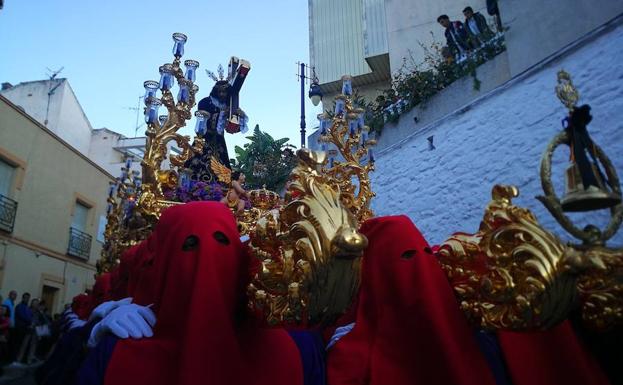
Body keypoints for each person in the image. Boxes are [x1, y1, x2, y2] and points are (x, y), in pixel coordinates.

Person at [78, 202, 306, 385]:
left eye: (221, 241)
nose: (205, 262)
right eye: (189, 246)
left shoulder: (119, 352)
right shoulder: (284, 351)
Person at [185, 80, 249, 184]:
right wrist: (222, 113)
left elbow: (232, 129)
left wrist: (239, 115)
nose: (222, 94)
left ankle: (219, 190)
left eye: (224, 92)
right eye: (220, 92)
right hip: (205, 138)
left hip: (219, 141)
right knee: (198, 163)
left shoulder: (230, 106)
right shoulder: (206, 102)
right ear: (215, 91)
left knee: (222, 169)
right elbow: (202, 121)